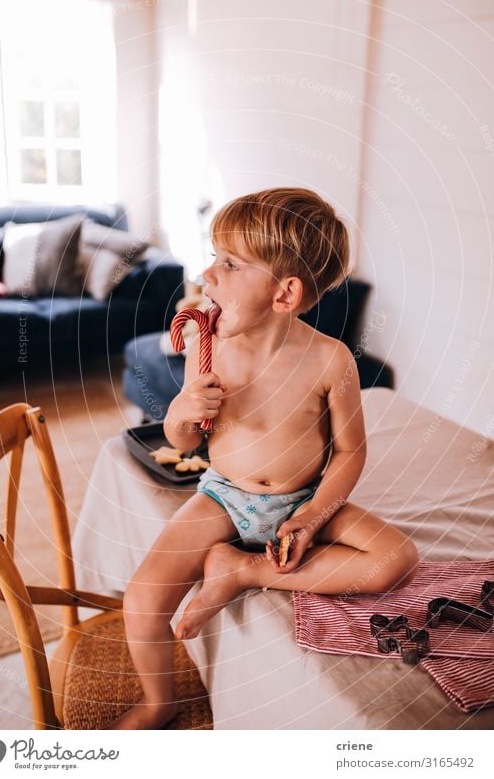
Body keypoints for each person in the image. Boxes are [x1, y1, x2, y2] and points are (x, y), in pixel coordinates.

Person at [109, 187, 419, 729]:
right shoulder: (211, 347)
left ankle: (244, 571)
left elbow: (349, 452)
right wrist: (182, 411)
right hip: (224, 497)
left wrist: (311, 516)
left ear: (285, 294)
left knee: (396, 559)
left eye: (228, 264)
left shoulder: (331, 361)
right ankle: (159, 701)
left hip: (303, 499)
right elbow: (186, 443)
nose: (208, 276)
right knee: (142, 599)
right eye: (213, 258)